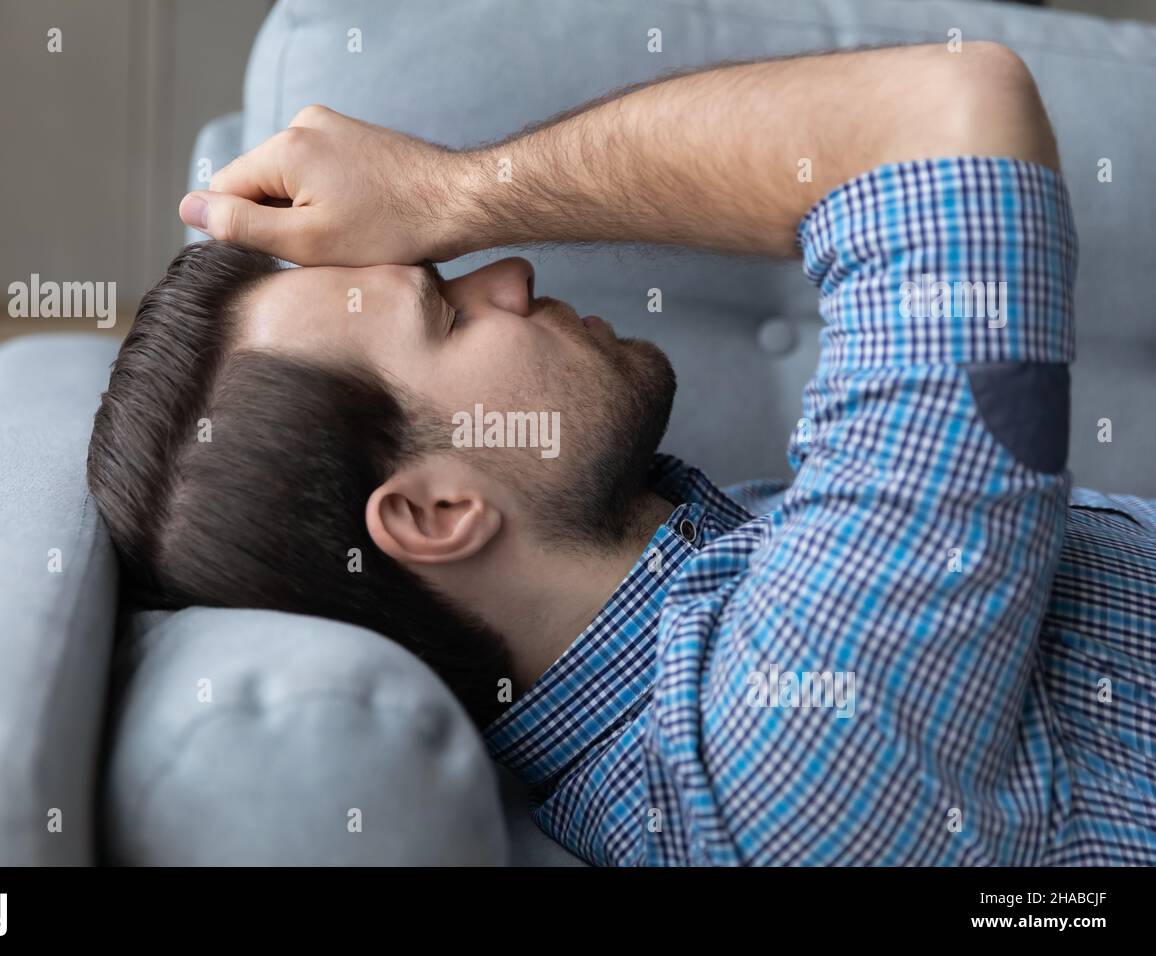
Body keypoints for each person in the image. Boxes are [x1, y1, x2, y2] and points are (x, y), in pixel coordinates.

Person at [88, 42, 1156, 865]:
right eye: (445, 311)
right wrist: (456, 189)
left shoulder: (718, 589)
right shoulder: (785, 726)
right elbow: (948, 114)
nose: (501, 274)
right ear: (431, 514)